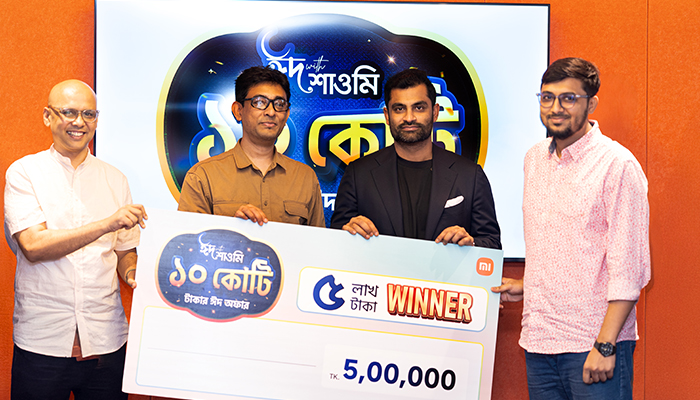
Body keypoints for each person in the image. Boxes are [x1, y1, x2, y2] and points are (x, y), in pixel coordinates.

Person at [492, 58, 650, 400]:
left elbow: (629, 270)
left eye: (568, 99)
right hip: (538, 342)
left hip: (592, 344)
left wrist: (605, 345)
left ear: (591, 104)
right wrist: (528, 286)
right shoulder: (534, 159)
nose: (555, 108)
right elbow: (564, 246)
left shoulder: (617, 165)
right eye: (547, 97)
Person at [4, 79, 148, 399]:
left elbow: (125, 251)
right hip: (42, 343)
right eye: (69, 112)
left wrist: (132, 273)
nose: (79, 122)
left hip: (107, 342)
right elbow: (33, 246)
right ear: (48, 116)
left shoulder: (115, 179)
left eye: (89, 114)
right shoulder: (24, 173)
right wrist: (106, 224)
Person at [330, 68, 501, 248]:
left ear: (435, 112)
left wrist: (471, 243)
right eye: (399, 109)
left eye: (419, 108)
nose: (409, 118)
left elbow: (492, 244)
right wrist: (348, 233)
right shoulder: (358, 174)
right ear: (387, 115)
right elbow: (335, 243)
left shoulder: (470, 176)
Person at [178, 66, 324, 227]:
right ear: (238, 111)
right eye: (260, 102)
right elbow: (189, 240)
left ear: (287, 114)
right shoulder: (202, 177)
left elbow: (317, 242)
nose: (271, 112)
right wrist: (232, 228)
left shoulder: (305, 178)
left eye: (279, 104)